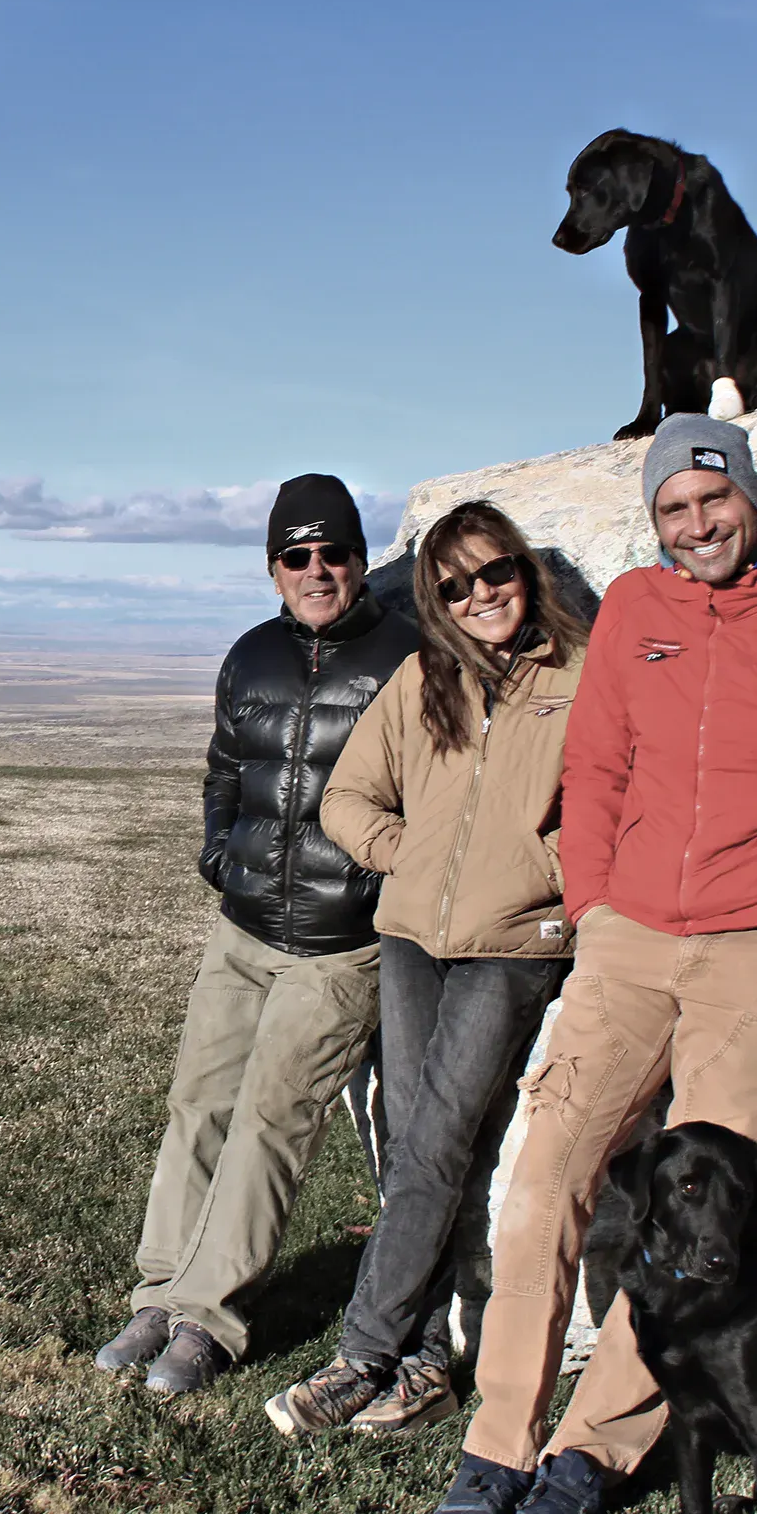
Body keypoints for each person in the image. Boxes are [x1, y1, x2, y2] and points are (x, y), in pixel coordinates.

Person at [415, 413, 757, 1514]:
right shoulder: (640, 620)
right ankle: (497, 1444)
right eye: (673, 509)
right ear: (652, 521)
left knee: (702, 1224)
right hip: (630, 943)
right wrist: (599, 911)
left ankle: (583, 1463)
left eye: (713, 501)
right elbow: (598, 766)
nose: (696, 524)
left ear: (749, 502)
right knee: (545, 1173)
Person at [263, 499, 588, 1440]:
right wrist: (402, 854)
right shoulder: (420, 679)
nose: (479, 594)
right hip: (411, 939)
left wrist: (546, 877)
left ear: (523, 574)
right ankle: (423, 1367)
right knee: (420, 1145)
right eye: (454, 585)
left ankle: (363, 1351)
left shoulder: (579, 674)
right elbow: (347, 797)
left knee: (437, 1139)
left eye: (495, 573)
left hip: (512, 947)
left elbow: (618, 803)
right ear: (435, 601)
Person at [96, 473, 423, 1396]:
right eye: (296, 556)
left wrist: (376, 883)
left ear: (361, 560)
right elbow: (223, 770)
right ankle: (159, 1291)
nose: (316, 572)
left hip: (340, 942)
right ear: (272, 568)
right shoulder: (248, 657)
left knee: (272, 1123)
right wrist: (217, 857)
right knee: (197, 1104)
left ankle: (210, 1319)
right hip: (241, 927)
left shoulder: (406, 657)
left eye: (334, 553)